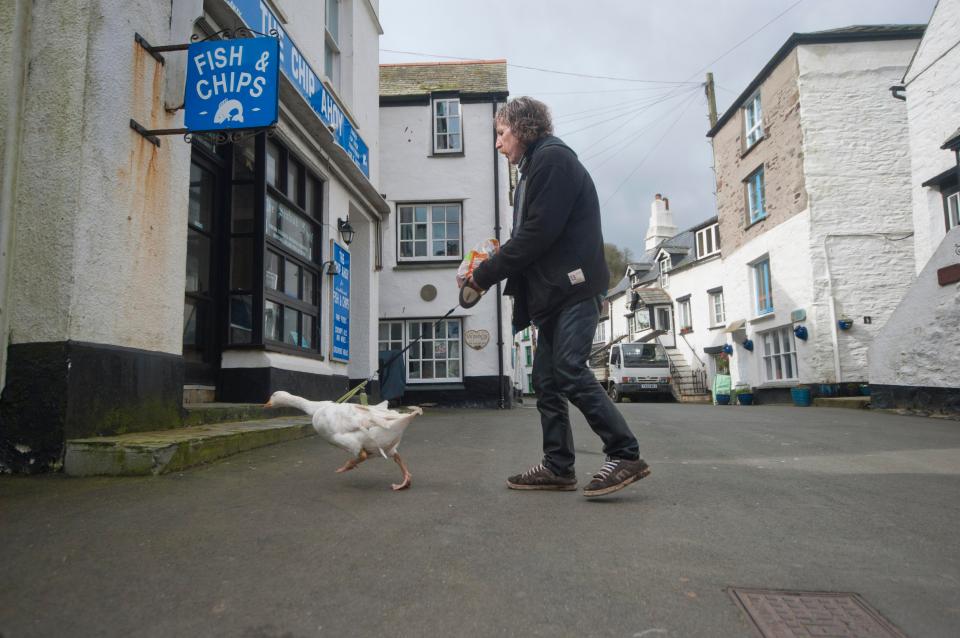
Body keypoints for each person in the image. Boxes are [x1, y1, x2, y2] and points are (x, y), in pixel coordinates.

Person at [463, 96, 650, 497]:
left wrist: (484, 275)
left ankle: (625, 453)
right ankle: (558, 466)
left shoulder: (552, 160)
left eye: (501, 133)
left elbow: (536, 235)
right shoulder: (532, 170)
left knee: (567, 368)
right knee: (546, 381)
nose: (498, 144)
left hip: (574, 288)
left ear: (523, 128)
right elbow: (530, 237)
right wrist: (494, 262)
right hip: (552, 295)